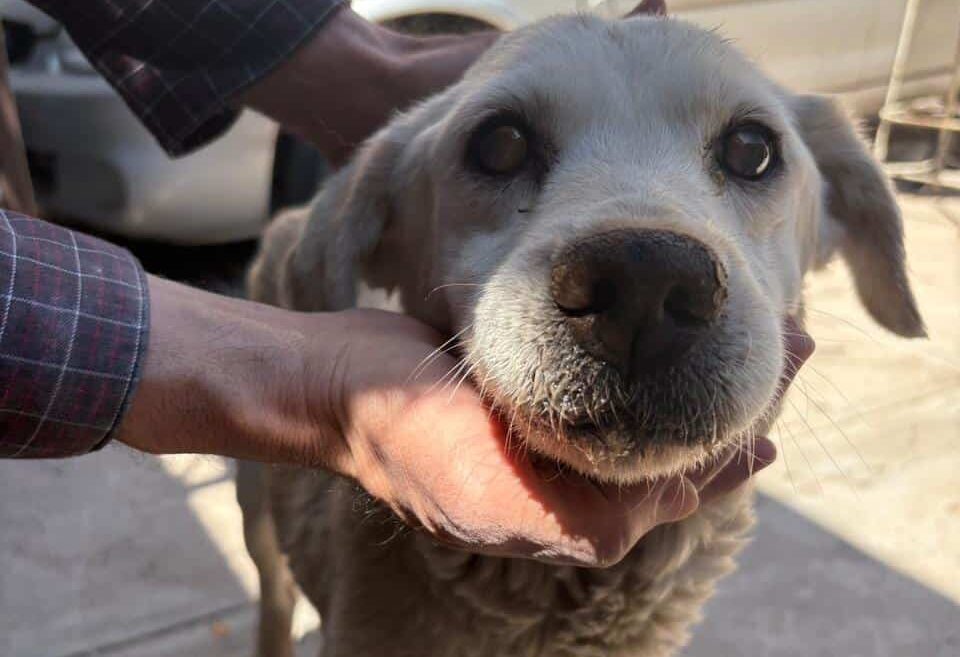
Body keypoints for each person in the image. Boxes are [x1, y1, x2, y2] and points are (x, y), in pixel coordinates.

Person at [0, 0, 811, 567]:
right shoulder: (332, 241)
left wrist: (373, 66)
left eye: (746, 155)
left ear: (842, 224)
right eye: (500, 148)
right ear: (381, 235)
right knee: (269, 555)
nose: (647, 281)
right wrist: (324, 392)